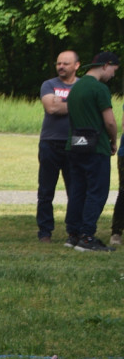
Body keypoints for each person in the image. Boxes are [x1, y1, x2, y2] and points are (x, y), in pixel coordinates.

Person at [65, 51, 120, 252]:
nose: (113, 75)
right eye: (114, 70)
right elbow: (110, 121)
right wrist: (113, 141)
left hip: (74, 145)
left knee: (78, 190)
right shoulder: (100, 89)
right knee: (97, 192)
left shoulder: (76, 87)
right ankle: (87, 237)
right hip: (96, 147)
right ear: (106, 65)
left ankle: (73, 234)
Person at [37, 51, 80, 242]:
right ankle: (45, 231)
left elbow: (59, 106)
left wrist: (62, 102)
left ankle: (74, 230)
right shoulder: (49, 84)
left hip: (75, 143)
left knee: (75, 189)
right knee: (46, 190)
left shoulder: (82, 86)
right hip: (49, 143)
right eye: (59, 63)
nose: (61, 66)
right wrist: (77, 104)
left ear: (77, 65)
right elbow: (51, 108)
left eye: (66, 64)